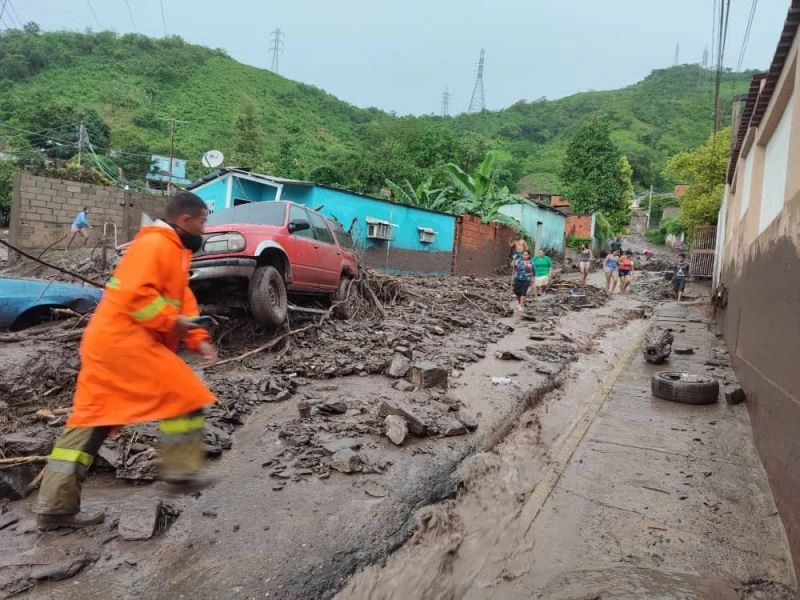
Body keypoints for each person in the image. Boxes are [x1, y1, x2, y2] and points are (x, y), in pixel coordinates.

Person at [34, 192, 218, 530]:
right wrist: (173, 324)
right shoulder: (155, 246)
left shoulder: (172, 251)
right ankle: (180, 472)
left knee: (92, 418)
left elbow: (183, 303)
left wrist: (198, 338)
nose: (205, 229)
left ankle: (54, 510)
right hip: (125, 342)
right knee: (187, 394)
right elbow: (137, 297)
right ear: (186, 220)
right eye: (203, 221)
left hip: (109, 341)